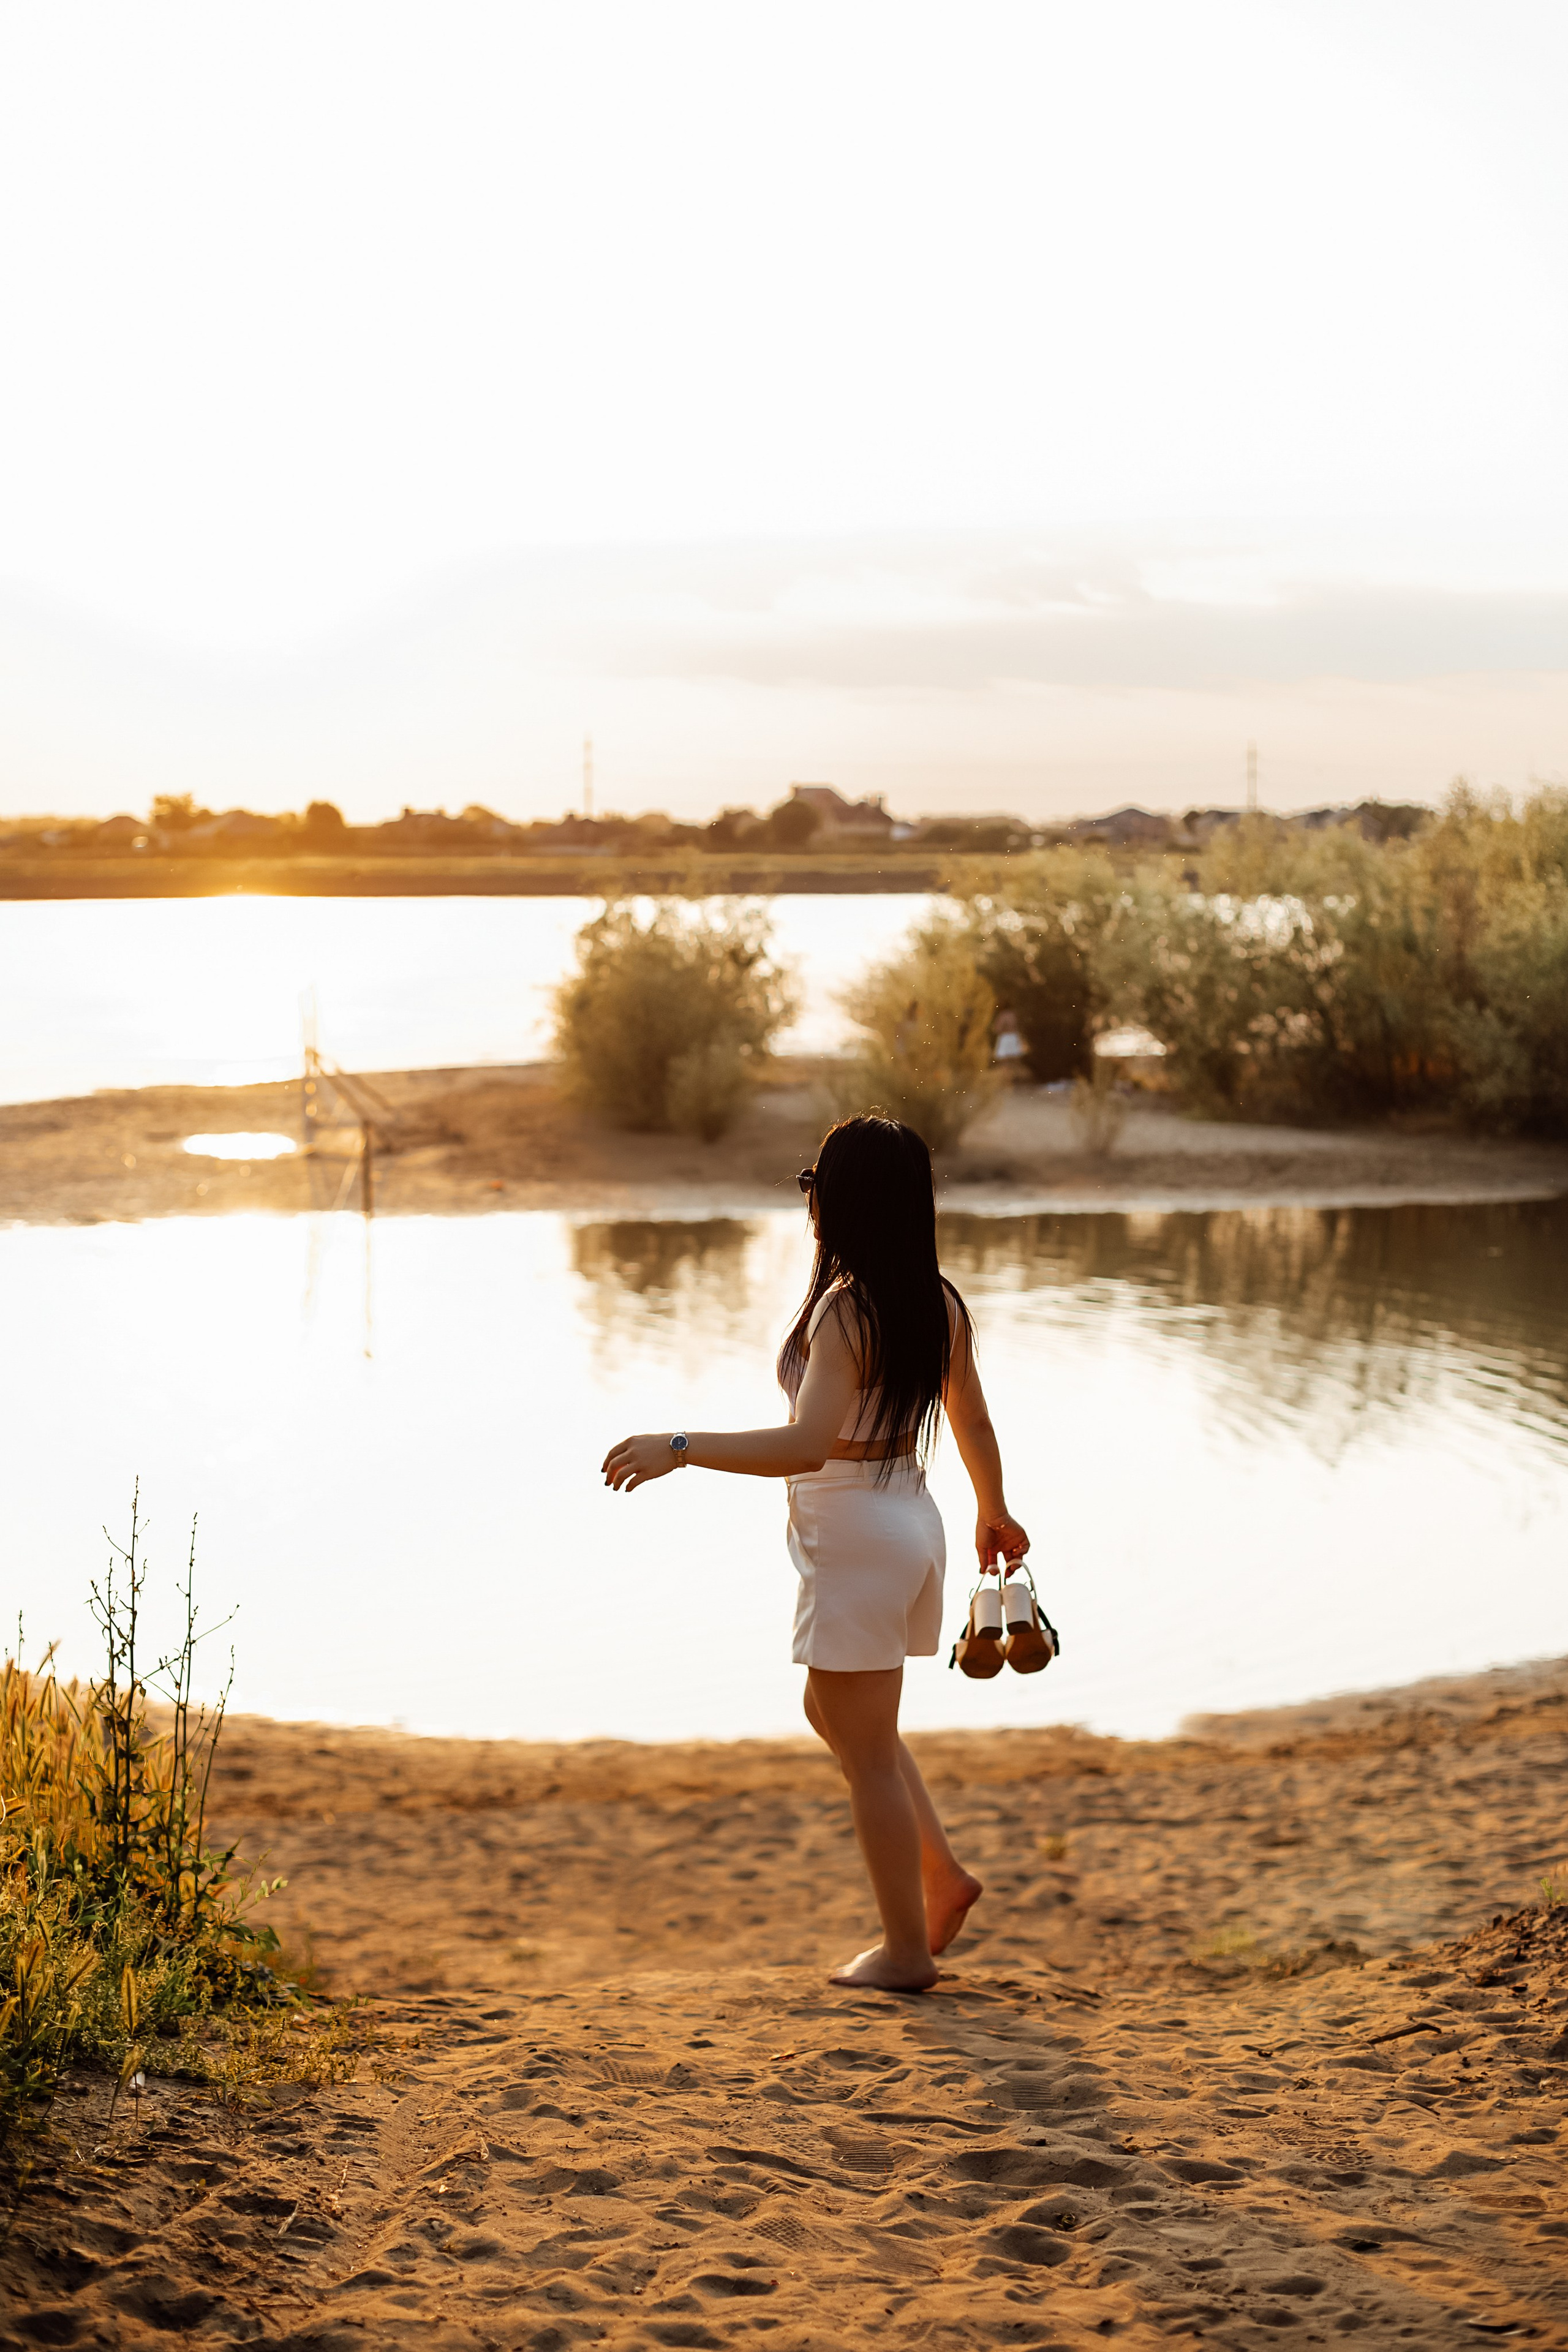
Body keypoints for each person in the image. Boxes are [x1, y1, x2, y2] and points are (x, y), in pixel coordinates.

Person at [601, 1114, 1029, 1992]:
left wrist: (678, 1445)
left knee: (865, 1749)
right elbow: (973, 1420)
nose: (808, 1202)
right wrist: (992, 1508)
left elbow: (807, 1446)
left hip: (858, 1533)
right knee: (838, 1716)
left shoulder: (846, 1311)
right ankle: (941, 1877)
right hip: (913, 1521)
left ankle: (908, 1952)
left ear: (842, 1204)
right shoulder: (937, 1299)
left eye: (813, 1186)